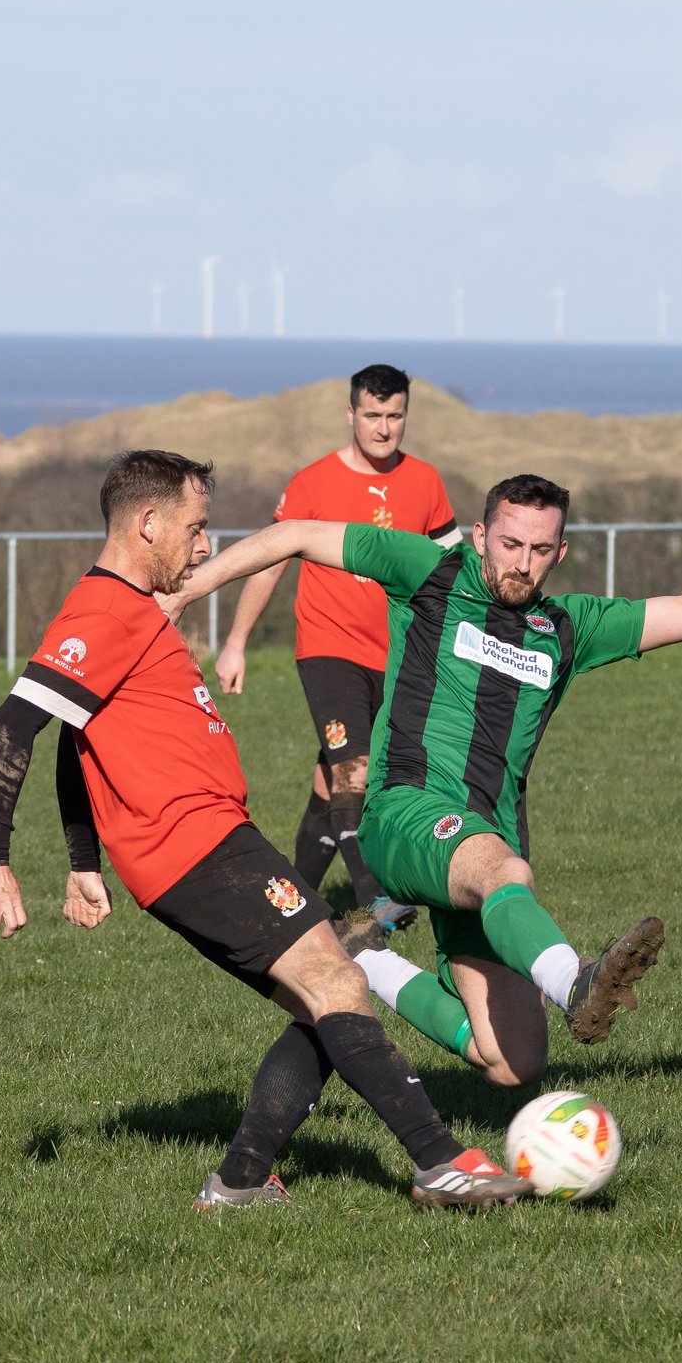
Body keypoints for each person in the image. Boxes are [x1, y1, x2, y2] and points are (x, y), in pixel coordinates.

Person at [0, 448, 532, 1211]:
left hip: (207, 843)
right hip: (195, 850)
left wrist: (81, 859)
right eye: (197, 529)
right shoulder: (101, 610)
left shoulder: (135, 609)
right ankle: (442, 1162)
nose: (206, 548)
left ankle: (241, 1179)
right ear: (148, 522)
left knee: (327, 992)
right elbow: (14, 725)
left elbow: (76, 736)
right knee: (337, 978)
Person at [168, 458, 682, 1090]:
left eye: (538, 548)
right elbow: (298, 533)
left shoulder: (568, 627)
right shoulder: (428, 572)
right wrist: (188, 590)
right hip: (406, 814)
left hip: (485, 841)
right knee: (507, 872)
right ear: (480, 538)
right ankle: (574, 982)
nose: (521, 562)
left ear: (560, 553)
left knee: (512, 1063)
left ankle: (370, 960)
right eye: (508, 544)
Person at [214, 364, 460, 938]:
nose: (383, 428)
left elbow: (452, 575)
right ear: (351, 414)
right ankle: (375, 902)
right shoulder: (312, 482)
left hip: (398, 657)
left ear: (406, 415)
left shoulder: (426, 482)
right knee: (355, 768)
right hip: (327, 650)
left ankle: (289, 907)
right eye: (371, 415)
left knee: (331, 786)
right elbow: (270, 560)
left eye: (394, 416)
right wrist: (235, 642)